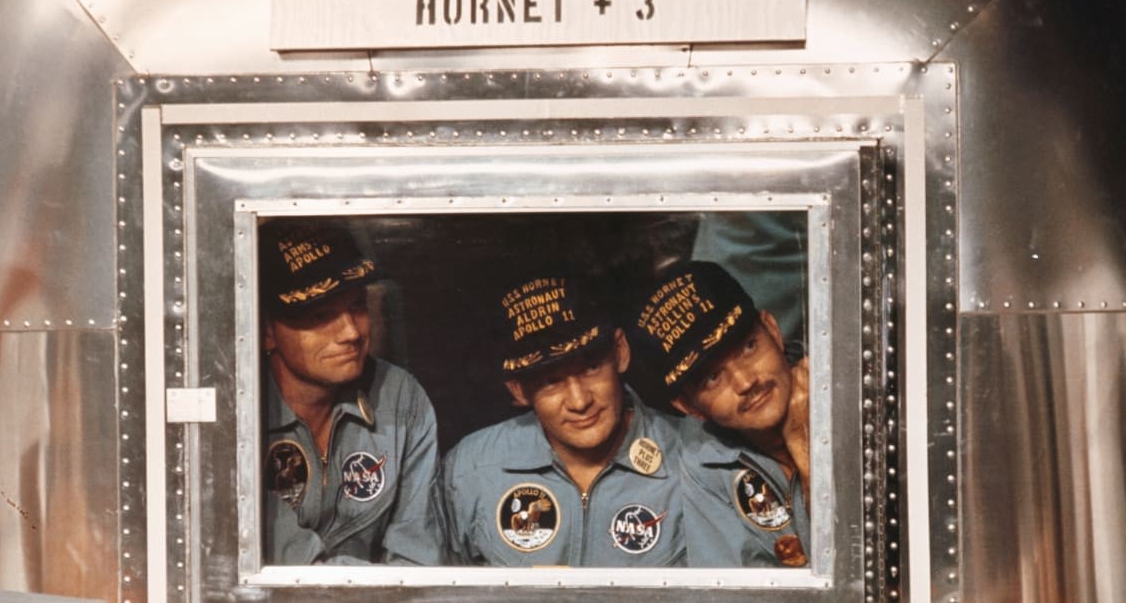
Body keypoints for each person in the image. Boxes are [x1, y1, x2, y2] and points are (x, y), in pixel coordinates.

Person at [440, 272, 685, 566]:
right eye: (550, 381)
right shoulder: (470, 469)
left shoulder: (692, 460)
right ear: (519, 391)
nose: (580, 401)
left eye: (591, 367)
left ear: (620, 352)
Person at [259, 220, 442, 565]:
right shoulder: (238, 408)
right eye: (321, 314)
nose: (350, 333)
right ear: (267, 331)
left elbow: (416, 559)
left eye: (357, 306)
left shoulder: (401, 398)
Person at [626, 260, 811, 567]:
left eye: (748, 347)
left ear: (773, 331)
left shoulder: (849, 389)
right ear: (690, 407)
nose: (746, 382)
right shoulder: (703, 462)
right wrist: (805, 454)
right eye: (712, 378)